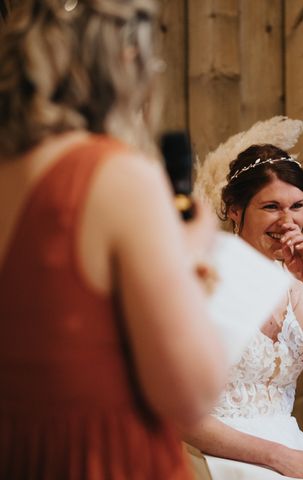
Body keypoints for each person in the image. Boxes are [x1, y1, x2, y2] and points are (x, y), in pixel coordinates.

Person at [0, 1, 226, 478]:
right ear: (126, 59)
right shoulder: (117, 176)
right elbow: (191, 393)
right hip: (101, 460)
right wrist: (191, 257)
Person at [185, 142, 303, 480]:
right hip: (214, 451)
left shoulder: (295, 286)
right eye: (271, 207)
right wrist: (277, 457)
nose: (287, 221)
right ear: (234, 209)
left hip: (288, 443)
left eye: (297, 206)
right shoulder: (203, 281)